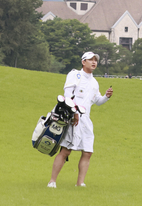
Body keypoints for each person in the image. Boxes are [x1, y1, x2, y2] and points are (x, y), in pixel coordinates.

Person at [47, 51, 113, 188]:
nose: (94, 62)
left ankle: (80, 183)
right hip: (71, 118)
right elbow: (67, 95)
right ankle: (52, 181)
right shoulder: (74, 75)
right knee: (65, 151)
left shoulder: (94, 82)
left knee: (88, 152)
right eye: (90, 60)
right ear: (83, 62)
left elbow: (97, 101)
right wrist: (74, 112)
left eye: (95, 60)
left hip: (86, 120)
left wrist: (106, 96)